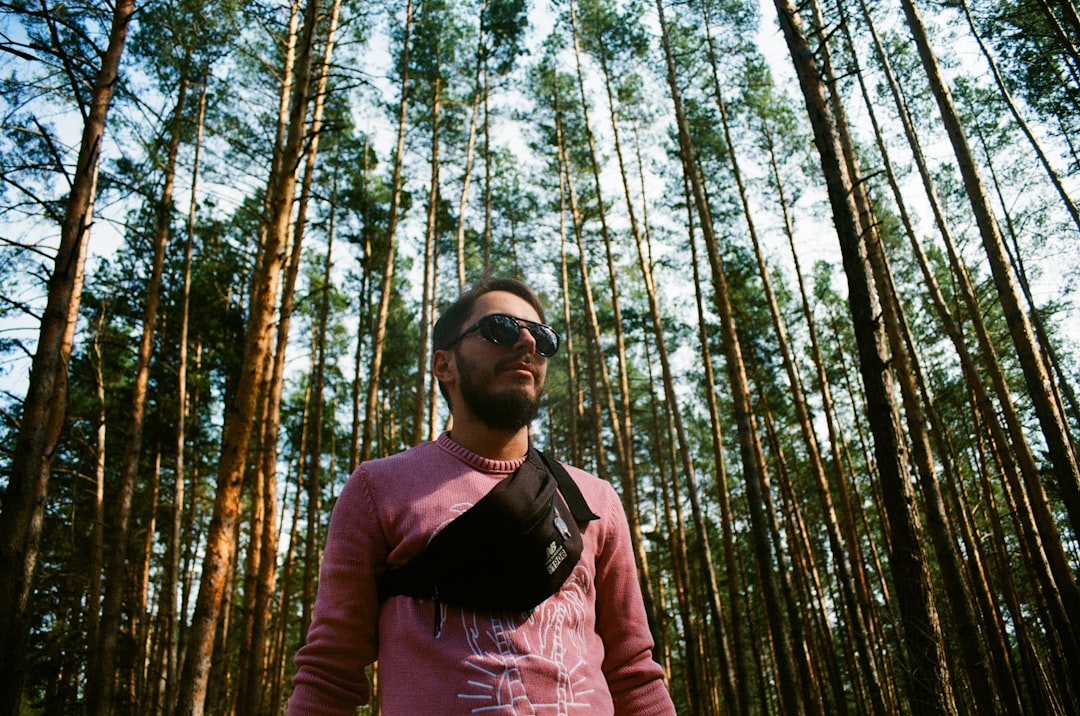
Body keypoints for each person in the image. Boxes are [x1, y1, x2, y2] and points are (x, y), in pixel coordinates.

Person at [288, 277, 676, 715]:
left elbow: (634, 672)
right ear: (444, 365)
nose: (527, 341)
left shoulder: (595, 500)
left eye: (543, 338)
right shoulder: (377, 489)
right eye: (502, 328)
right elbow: (330, 672)